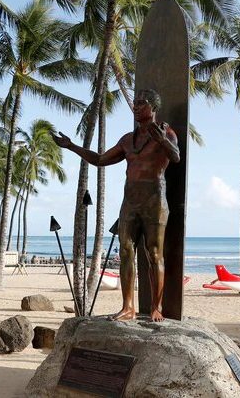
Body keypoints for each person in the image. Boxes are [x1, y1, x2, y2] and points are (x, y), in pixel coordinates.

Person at [53, 89, 179, 322]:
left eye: (141, 103)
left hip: (155, 201)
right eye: (135, 103)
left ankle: (156, 307)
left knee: (154, 254)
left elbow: (176, 157)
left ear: (153, 107)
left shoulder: (165, 132)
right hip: (130, 201)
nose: (136, 107)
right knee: (125, 251)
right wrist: (71, 146)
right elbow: (100, 160)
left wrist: (162, 140)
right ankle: (128, 307)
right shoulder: (126, 141)